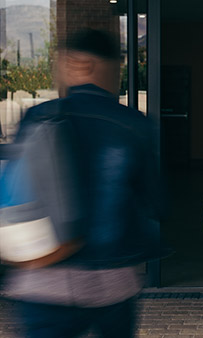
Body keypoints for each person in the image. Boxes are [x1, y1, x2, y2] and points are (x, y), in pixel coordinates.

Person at [1, 28, 161, 337]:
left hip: (42, 280)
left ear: (79, 64)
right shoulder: (134, 124)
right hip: (113, 283)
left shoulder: (36, 117)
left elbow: (16, 190)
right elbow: (156, 203)